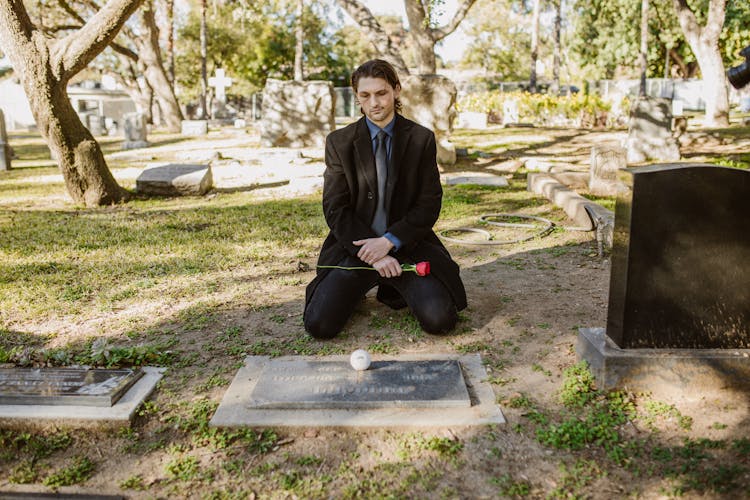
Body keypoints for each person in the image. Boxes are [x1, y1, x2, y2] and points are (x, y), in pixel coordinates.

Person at [303, 59, 466, 339]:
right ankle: (364, 286)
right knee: (319, 325)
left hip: (407, 247)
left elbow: (429, 203)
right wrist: (373, 254)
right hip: (355, 248)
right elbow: (335, 208)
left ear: (396, 90)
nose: (374, 102)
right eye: (365, 96)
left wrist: (389, 241)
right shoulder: (339, 142)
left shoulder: (421, 139)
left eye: (381, 93)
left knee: (440, 320)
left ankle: (392, 288)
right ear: (357, 97)